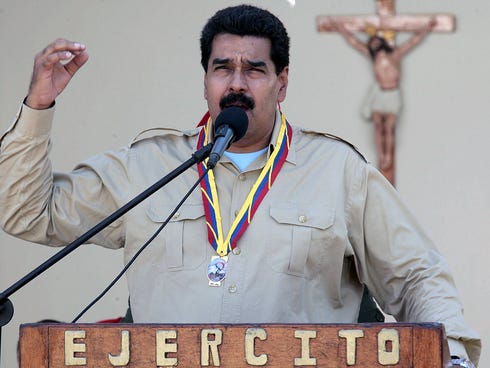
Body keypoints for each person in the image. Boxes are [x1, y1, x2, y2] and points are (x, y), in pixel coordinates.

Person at [0, 5, 480, 366]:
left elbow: (417, 275)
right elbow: (24, 212)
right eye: (222, 67)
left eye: (255, 70)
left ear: (281, 83)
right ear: (205, 80)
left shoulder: (338, 172)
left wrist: (453, 355)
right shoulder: (147, 166)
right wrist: (38, 106)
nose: (236, 82)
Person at [331, 19, 437, 181]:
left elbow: (413, 41)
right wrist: (341, 28)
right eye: (371, 43)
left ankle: (387, 154)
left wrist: (425, 28)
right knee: (378, 127)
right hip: (379, 95)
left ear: (381, 42)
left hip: (392, 94)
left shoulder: (395, 54)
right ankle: (382, 155)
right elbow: (354, 42)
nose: (373, 45)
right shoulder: (372, 57)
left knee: (389, 128)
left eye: (375, 42)